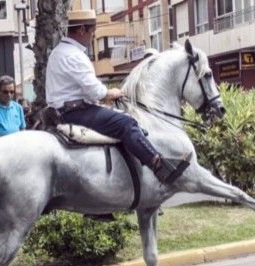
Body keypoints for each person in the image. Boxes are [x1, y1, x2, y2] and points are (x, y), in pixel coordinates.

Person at [45, 9, 190, 185]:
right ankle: (159, 167)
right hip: (77, 112)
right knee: (127, 123)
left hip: (66, 110)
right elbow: (95, 92)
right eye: (93, 31)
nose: (94, 35)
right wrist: (110, 93)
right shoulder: (73, 55)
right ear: (82, 29)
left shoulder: (59, 51)